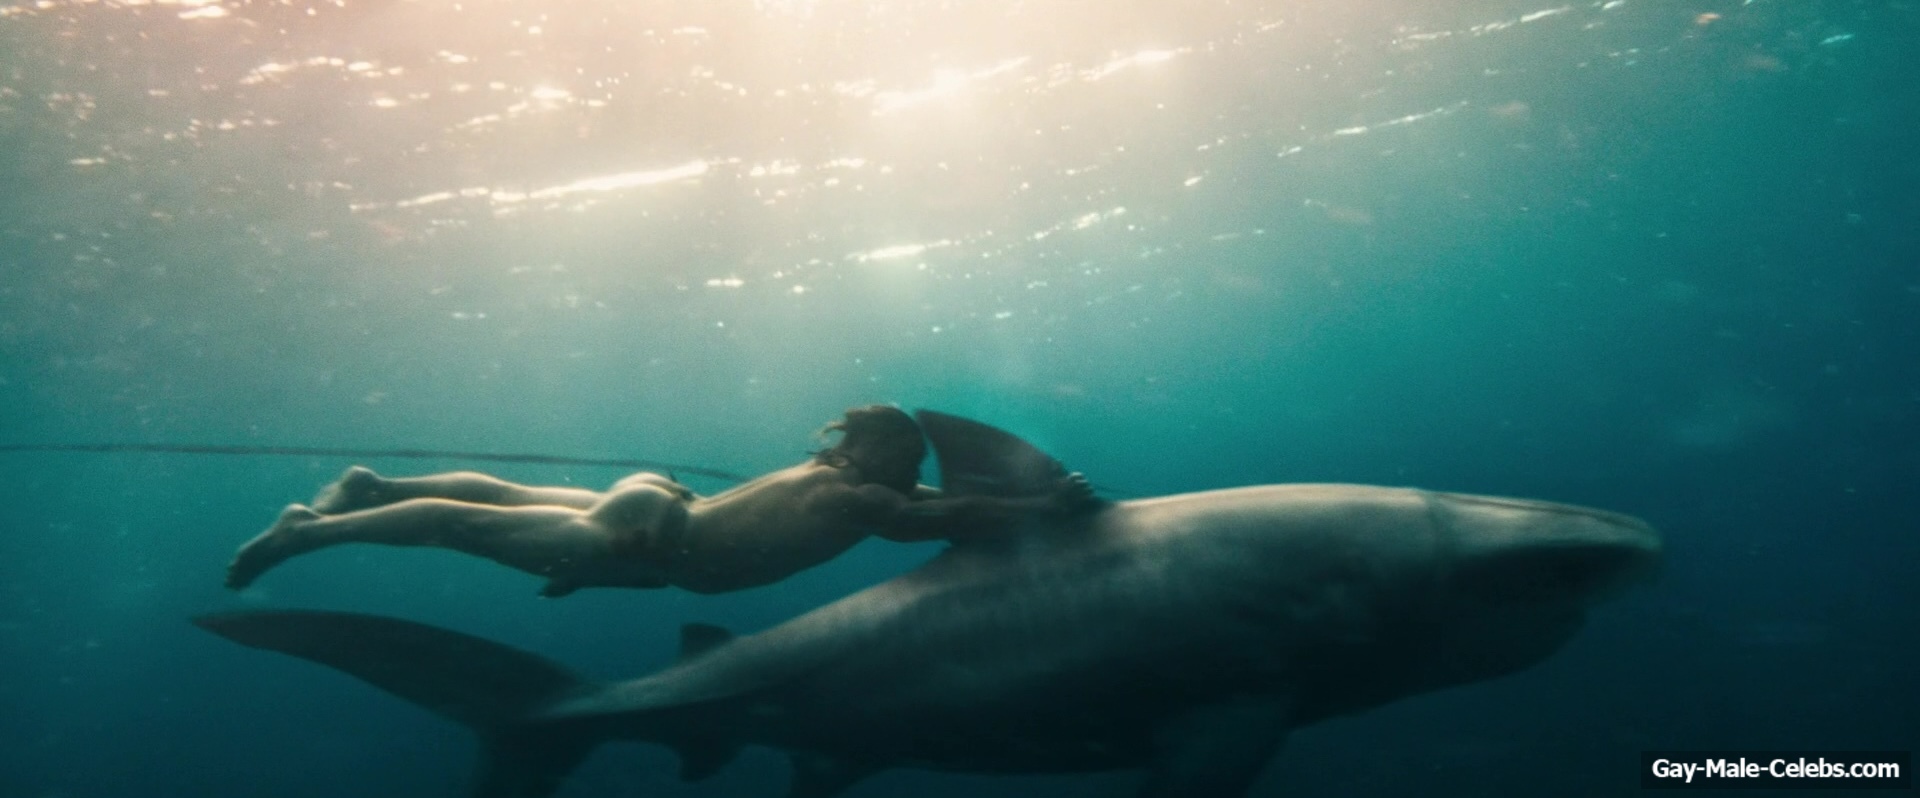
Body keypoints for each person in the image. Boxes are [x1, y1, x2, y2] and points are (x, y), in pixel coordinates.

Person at [224, 405, 1094, 596]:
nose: (917, 473)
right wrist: (1046, 511)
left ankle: (377, 486)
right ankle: (309, 531)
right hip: (654, 542)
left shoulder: (836, 480)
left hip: (658, 507)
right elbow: (931, 520)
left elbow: (938, 508)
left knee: (500, 493)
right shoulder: (864, 500)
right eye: (909, 461)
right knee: (463, 526)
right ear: (883, 461)